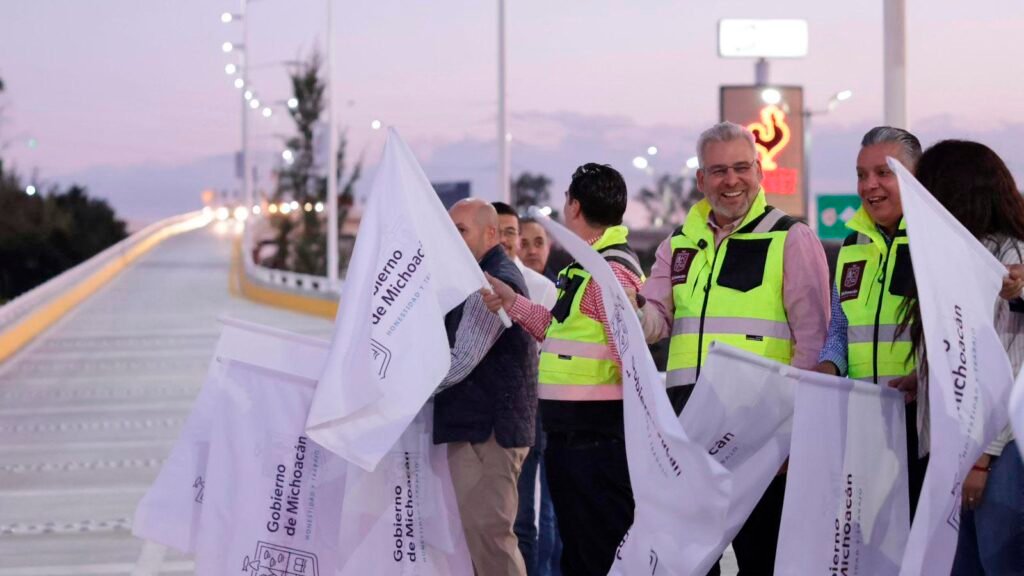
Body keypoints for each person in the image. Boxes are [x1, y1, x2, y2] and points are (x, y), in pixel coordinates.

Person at [637, 121, 831, 574]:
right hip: (689, 429)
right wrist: (628, 306)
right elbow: (656, 324)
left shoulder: (790, 238)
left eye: (741, 168)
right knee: (688, 561)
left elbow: (813, 342)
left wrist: (793, 436)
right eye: (718, 170)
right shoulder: (676, 246)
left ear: (759, 171)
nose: (731, 181)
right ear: (701, 180)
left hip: (760, 435)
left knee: (763, 557)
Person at [483, 163, 645, 576]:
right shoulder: (584, 268)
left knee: (596, 555)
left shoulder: (609, 272)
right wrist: (511, 302)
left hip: (597, 444)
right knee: (579, 551)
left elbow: (631, 358)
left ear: (573, 206)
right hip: (576, 440)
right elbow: (554, 332)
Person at [905, 140, 1024, 575]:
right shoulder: (958, 251)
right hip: (963, 455)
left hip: (998, 454)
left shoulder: (1006, 255)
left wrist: (981, 459)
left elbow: (1009, 368)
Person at [812, 126, 929, 516]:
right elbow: (841, 331)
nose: (870, 186)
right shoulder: (851, 246)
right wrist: (828, 367)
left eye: (884, 173)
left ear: (917, 175)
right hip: (863, 421)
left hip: (921, 421)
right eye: (862, 175)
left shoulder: (936, 242)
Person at [434, 198, 538, 576]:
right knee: (478, 544)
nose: (452, 238)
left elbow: (462, 359)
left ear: (490, 233)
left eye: (460, 230)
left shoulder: (494, 280)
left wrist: (400, 390)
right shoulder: (474, 274)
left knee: (491, 540)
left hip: (488, 434)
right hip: (479, 429)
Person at [492, 202, 560, 576]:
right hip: (485, 418)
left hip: (533, 415)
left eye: (510, 232)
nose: (505, 240)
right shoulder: (467, 285)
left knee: (530, 517)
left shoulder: (541, 289)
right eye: (497, 231)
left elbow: (548, 347)